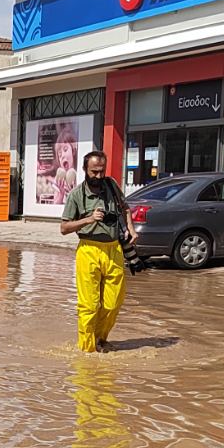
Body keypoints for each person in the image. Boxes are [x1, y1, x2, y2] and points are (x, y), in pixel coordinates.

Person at [59, 151, 134, 353]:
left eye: (102, 171)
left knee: (113, 302)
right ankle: (87, 350)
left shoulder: (112, 185)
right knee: (89, 306)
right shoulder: (76, 195)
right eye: (94, 172)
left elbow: (125, 208)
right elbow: (64, 228)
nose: (99, 176)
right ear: (85, 170)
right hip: (88, 250)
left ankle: (100, 338)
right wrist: (88, 219)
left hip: (113, 250)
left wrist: (131, 229)